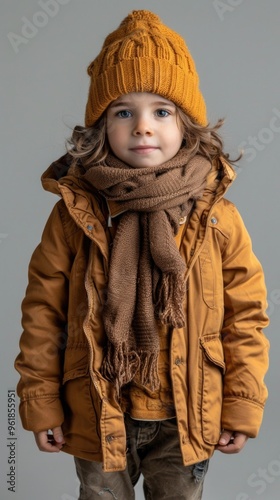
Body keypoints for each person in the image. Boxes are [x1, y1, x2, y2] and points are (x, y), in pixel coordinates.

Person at [15, 9, 270, 500]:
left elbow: (246, 317)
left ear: (187, 123)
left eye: (162, 111)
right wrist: (40, 401)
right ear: (100, 126)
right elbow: (43, 313)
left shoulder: (217, 216)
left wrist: (241, 403)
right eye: (123, 112)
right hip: (97, 407)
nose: (143, 127)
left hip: (188, 411)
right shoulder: (76, 214)